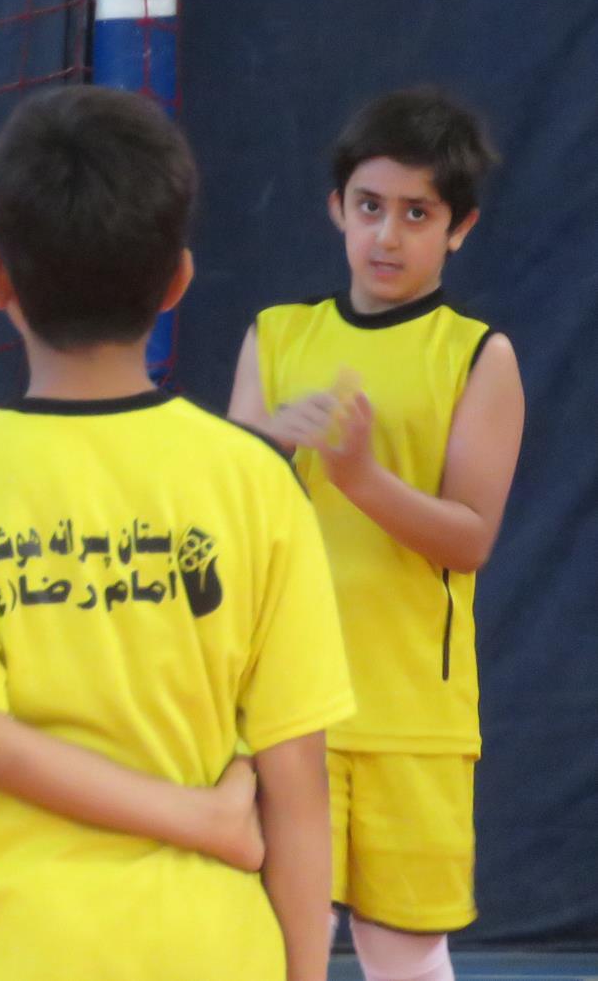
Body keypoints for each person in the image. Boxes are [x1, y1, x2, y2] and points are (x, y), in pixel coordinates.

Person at [0, 86, 357, 981]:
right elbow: (297, 786)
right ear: (178, 281)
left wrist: (208, 821)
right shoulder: (256, 481)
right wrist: (202, 821)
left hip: (10, 950)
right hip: (207, 951)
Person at [228, 87, 524, 981]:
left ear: (459, 227)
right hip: (284, 703)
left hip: (410, 714)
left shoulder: (477, 355)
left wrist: (359, 478)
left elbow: (468, 539)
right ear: (336, 208)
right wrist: (257, 451)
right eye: (369, 207)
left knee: (402, 946)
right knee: (276, 940)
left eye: (416, 213)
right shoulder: (276, 336)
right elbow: (223, 518)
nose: (387, 235)